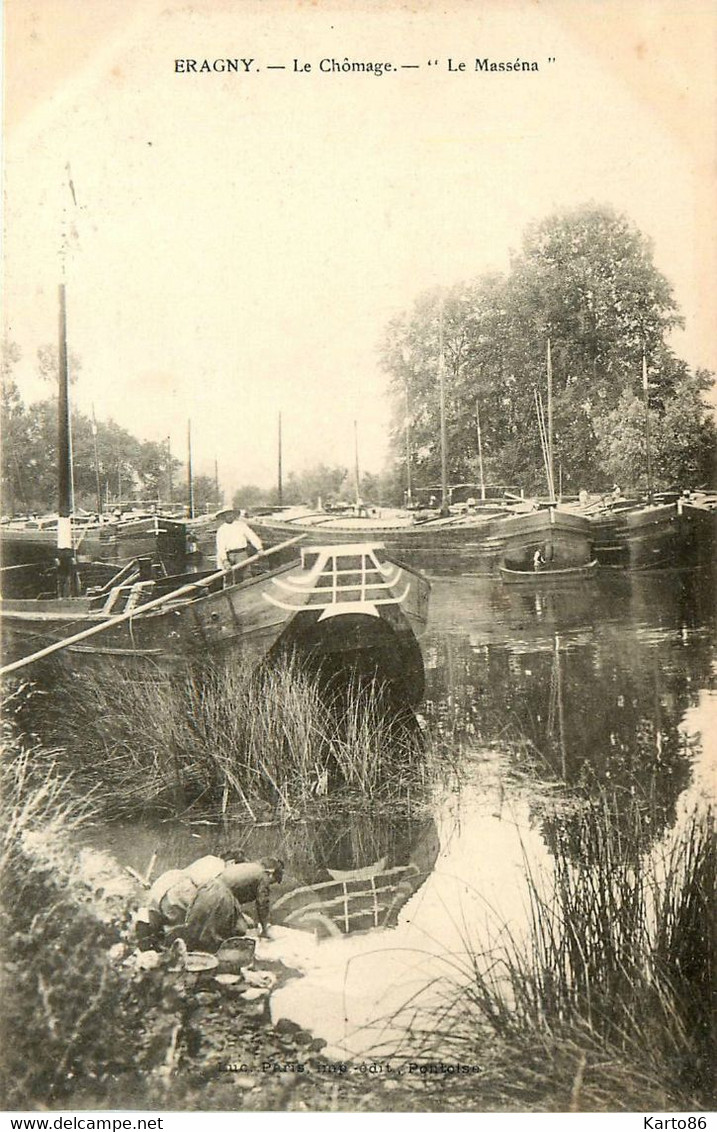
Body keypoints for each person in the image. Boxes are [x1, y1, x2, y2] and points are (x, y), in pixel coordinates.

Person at [183, 857, 284, 952]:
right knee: (218, 937)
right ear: (271, 873)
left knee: (197, 927)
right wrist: (265, 930)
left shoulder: (249, 867)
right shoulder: (263, 875)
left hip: (208, 887)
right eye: (272, 882)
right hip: (221, 896)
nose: (269, 885)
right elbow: (263, 904)